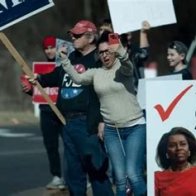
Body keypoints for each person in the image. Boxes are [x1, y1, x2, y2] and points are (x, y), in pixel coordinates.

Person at [29, 20, 114, 196]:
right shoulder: (71, 58)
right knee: (74, 175)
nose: (72, 37)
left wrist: (102, 120)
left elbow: (107, 91)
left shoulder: (99, 59)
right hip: (66, 122)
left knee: (96, 171)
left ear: (90, 37)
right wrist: (37, 80)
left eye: (77, 35)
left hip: (89, 122)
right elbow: (55, 76)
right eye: (72, 34)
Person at [59, 31, 147, 196]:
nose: (105, 55)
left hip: (135, 126)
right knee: (120, 179)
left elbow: (127, 63)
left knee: (133, 175)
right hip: (112, 131)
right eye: (101, 52)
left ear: (114, 51)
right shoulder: (96, 73)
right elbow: (78, 78)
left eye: (108, 51)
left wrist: (119, 48)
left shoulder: (123, 69)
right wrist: (64, 60)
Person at [21, 36, 65, 190]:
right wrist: (29, 90)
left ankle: (81, 174)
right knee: (50, 145)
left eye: (52, 47)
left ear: (58, 48)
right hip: (46, 111)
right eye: (46, 48)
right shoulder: (40, 68)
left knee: (72, 144)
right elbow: (37, 91)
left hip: (63, 111)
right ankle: (57, 176)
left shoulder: (65, 65)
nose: (49, 51)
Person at [155, 127, 196, 196]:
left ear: (189, 149)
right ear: (166, 152)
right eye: (172, 145)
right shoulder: (157, 178)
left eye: (183, 144)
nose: (179, 148)